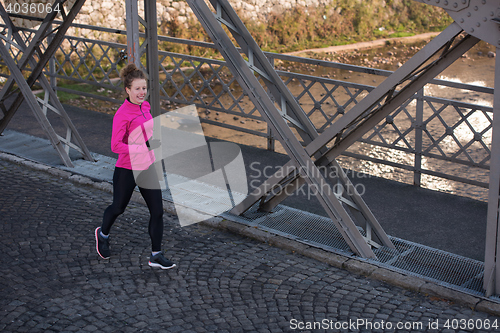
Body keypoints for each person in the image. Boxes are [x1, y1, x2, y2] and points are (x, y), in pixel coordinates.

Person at [95, 63, 176, 270]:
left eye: (144, 88)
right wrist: (143, 146)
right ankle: (102, 233)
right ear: (128, 90)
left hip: (146, 167)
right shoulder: (122, 114)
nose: (142, 92)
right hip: (127, 169)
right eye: (138, 89)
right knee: (118, 208)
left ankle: (155, 255)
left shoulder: (146, 106)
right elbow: (115, 145)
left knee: (157, 211)